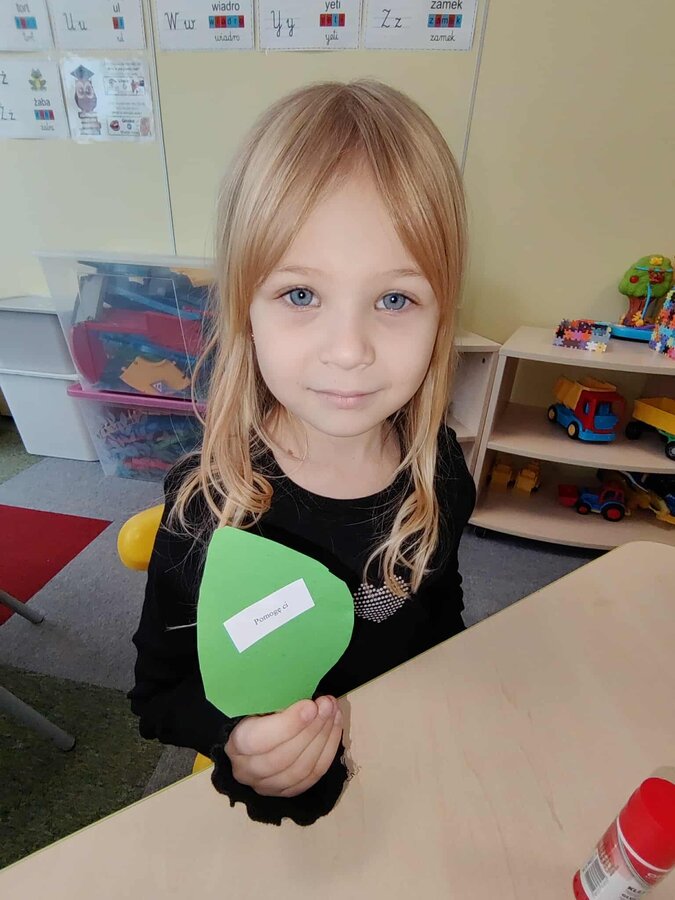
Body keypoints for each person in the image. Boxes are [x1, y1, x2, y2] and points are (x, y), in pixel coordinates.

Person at [128, 78, 475, 826]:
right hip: (290, 806)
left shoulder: (440, 468)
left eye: (394, 299)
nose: (348, 350)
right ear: (245, 310)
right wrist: (236, 742)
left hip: (415, 760)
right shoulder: (208, 512)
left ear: (441, 312)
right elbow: (158, 696)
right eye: (300, 295)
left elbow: (439, 602)